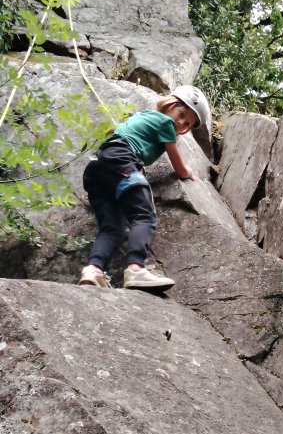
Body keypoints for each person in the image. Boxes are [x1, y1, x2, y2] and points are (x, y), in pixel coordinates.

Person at [79, 85, 210, 291]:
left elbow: (117, 132)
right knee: (144, 216)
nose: (181, 123)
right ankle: (136, 269)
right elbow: (179, 167)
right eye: (182, 115)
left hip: (97, 169)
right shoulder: (165, 123)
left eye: (187, 124)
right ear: (171, 105)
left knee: (113, 227)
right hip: (121, 161)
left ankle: (93, 270)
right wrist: (189, 172)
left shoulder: (142, 116)